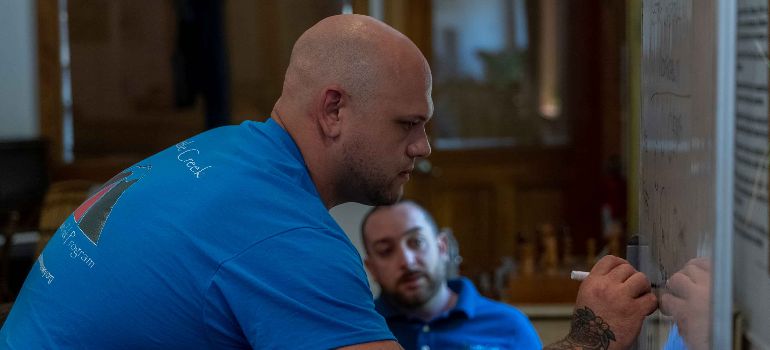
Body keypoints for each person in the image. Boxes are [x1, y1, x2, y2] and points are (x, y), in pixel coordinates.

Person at [0, 14, 655, 350]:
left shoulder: (227, 150)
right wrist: (593, 334)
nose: (423, 150)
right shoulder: (284, 234)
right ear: (335, 109)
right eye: (408, 125)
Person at [361, 200, 543, 349]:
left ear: (442, 247)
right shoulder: (358, 331)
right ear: (372, 268)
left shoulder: (509, 325)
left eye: (416, 242)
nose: (407, 261)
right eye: (385, 251)